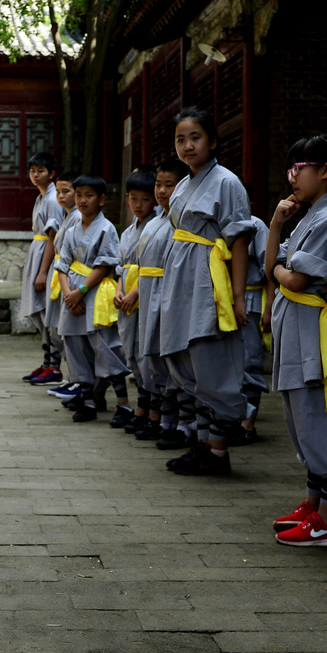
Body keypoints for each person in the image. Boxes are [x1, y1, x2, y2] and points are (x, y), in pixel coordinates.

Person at [266, 135, 327, 547]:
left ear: (326, 171)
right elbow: (272, 262)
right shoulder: (310, 214)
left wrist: (278, 269)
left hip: (315, 329)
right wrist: (275, 223)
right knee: (303, 419)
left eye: (299, 167)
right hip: (297, 325)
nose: (293, 176)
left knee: (321, 418)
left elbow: (295, 276)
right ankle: (313, 502)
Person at [158, 107, 253, 476]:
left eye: (195, 137)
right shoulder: (182, 184)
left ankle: (218, 450)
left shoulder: (227, 182)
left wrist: (239, 295)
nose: (187, 145)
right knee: (185, 359)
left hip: (208, 281)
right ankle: (202, 442)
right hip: (182, 281)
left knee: (209, 357)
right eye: (180, 139)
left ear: (212, 141)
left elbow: (240, 239)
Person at [54, 174, 132, 423]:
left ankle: (123, 403)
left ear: (101, 200)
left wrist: (81, 292)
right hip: (72, 294)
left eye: (88, 196)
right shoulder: (73, 227)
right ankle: (87, 400)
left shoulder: (106, 228)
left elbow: (105, 265)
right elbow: (62, 264)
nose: (82, 200)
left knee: (105, 346)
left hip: (94, 292)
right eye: (78, 195)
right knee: (75, 345)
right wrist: (68, 294)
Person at [133, 159, 191, 449]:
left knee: (171, 356)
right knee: (152, 355)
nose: (162, 191)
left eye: (169, 185)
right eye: (159, 184)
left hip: (166, 292)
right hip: (147, 292)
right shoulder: (155, 221)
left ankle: (180, 423)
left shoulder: (179, 223)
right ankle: (160, 417)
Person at [113, 170, 157, 431]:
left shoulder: (154, 228)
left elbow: (150, 267)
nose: (138, 206)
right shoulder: (129, 231)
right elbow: (122, 267)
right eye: (134, 199)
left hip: (144, 294)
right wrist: (119, 290)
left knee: (145, 353)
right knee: (130, 351)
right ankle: (141, 404)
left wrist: (135, 292)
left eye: (145, 200)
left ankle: (149, 408)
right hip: (126, 297)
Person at [20, 153, 66, 384]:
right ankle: (47, 362)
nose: (36, 175)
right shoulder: (41, 197)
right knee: (40, 311)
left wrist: (43, 271)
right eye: (32, 170)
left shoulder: (51, 199)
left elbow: (53, 236)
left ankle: (55, 366)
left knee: (47, 311)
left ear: (52, 174)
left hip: (45, 256)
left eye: (41, 171)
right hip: (37, 251)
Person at [234, 210, 272, 446]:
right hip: (223, 300)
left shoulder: (256, 224)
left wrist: (269, 307)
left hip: (250, 299)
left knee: (250, 361)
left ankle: (248, 421)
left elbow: (270, 267)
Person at [45, 172, 83, 401]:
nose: (60, 196)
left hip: (73, 277)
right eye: (58, 191)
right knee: (61, 331)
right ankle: (73, 378)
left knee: (71, 333)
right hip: (62, 275)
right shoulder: (69, 216)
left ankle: (79, 380)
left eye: (66, 191)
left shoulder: (79, 217)